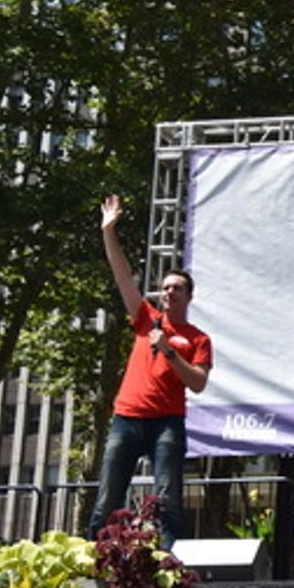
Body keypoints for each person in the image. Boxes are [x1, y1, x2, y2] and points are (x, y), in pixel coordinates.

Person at [91, 195, 213, 549]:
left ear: (189, 297)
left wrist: (169, 351)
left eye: (177, 288)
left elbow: (198, 383)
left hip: (167, 424)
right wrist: (109, 232)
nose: (169, 292)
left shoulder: (198, 338)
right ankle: (97, 562)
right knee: (107, 501)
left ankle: (168, 566)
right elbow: (123, 277)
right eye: (166, 287)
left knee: (168, 502)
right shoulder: (146, 318)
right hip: (126, 418)